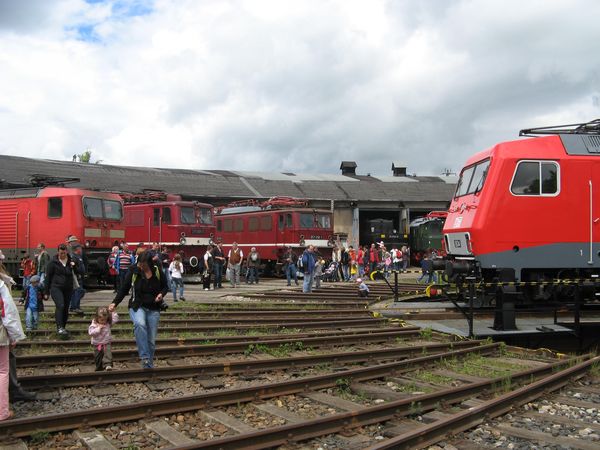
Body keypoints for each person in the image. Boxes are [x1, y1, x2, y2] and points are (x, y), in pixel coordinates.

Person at [110, 251, 168, 369]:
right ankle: (144, 357)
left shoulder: (157, 270)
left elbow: (165, 286)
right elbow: (124, 289)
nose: (141, 266)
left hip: (154, 308)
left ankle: (148, 366)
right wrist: (114, 303)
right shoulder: (133, 271)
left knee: (151, 341)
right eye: (140, 263)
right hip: (137, 305)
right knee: (140, 324)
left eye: (144, 264)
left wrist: (161, 294)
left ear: (149, 263)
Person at [0, 263, 26, 420]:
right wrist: (14, 335)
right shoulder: (2, 285)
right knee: (2, 371)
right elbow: (8, 311)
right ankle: (2, 411)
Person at [44, 243, 81, 336]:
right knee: (60, 305)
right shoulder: (53, 262)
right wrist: (46, 291)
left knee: (65, 308)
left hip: (68, 288)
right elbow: (48, 277)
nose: (62, 255)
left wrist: (74, 266)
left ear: (66, 252)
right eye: (61, 253)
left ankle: (63, 326)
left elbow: (80, 272)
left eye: (64, 253)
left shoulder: (71, 261)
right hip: (56, 287)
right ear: (58, 252)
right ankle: (59, 327)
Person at [88, 306, 118, 371]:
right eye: (101, 320)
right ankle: (99, 367)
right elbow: (91, 333)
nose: (103, 321)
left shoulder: (108, 323)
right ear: (97, 318)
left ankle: (108, 365)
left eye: (105, 319)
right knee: (98, 356)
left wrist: (113, 312)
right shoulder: (94, 324)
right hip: (97, 343)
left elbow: (115, 319)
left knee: (108, 353)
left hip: (106, 342)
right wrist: (98, 329)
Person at [69, 244, 86, 315]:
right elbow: (73, 267)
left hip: (79, 276)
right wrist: (78, 273)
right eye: (80, 249)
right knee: (79, 291)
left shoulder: (78, 256)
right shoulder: (74, 257)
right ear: (77, 249)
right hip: (76, 277)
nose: (81, 250)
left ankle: (76, 307)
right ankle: (74, 307)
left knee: (78, 292)